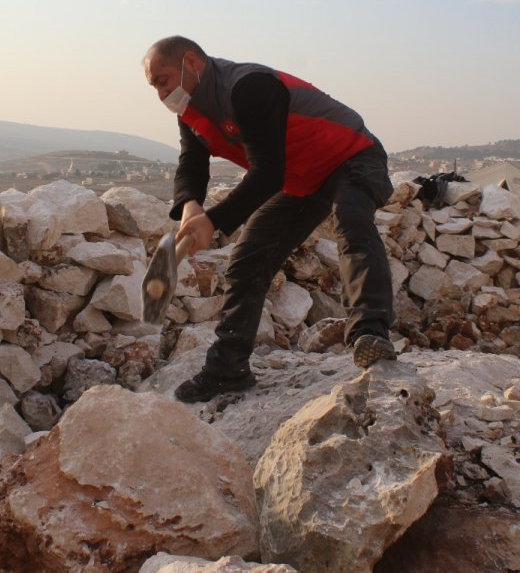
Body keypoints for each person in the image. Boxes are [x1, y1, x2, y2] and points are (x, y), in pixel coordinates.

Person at [143, 35, 397, 403]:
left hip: (351, 155)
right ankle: (227, 371)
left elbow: (267, 174)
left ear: (192, 63)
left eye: (163, 80)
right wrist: (191, 207)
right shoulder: (192, 113)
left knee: (352, 219)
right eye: (154, 86)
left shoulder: (249, 87)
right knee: (248, 259)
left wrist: (214, 221)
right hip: (303, 178)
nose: (161, 93)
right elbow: (191, 165)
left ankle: (370, 334)